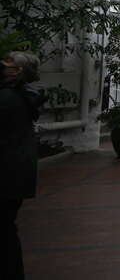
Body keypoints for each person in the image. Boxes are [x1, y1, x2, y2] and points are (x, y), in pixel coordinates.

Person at [1, 52, 43, 280]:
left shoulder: (8, 99)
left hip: (7, 173)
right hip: (17, 172)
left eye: (8, 60)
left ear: (17, 71)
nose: (2, 63)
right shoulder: (24, 97)